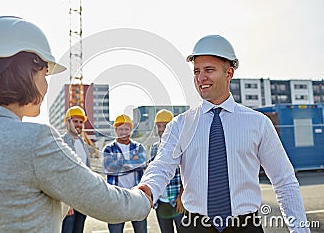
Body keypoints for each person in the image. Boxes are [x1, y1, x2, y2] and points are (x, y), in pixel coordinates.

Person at [0, 16, 152, 233]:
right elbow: (104, 201)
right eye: (45, 73)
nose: (46, 84)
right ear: (27, 72)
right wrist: (142, 198)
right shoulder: (37, 140)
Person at [138, 35, 310, 233]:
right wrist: (146, 189)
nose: (201, 78)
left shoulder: (258, 123)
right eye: (197, 71)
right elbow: (161, 166)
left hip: (246, 227)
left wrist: (300, 230)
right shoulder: (179, 125)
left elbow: (284, 181)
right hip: (194, 227)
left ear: (229, 73)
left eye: (209, 70)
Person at [102, 114, 148, 233]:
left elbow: (142, 164)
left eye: (126, 129)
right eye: (120, 129)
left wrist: (120, 163)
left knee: (141, 230)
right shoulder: (108, 149)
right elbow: (108, 168)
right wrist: (132, 163)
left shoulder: (138, 147)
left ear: (131, 130)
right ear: (115, 130)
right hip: (116, 197)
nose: (123, 132)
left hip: (136, 196)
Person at [150, 109, 186, 233]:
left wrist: (181, 196)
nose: (161, 129)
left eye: (165, 125)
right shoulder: (154, 148)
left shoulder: (182, 146)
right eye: (159, 126)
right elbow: (153, 173)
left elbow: (189, 174)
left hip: (177, 202)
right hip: (161, 202)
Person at [61, 106, 91, 233]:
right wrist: (66, 203)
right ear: (67, 122)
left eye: (81, 122)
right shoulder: (62, 142)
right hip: (69, 199)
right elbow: (61, 174)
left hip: (82, 198)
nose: (78, 125)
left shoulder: (83, 143)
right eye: (75, 121)